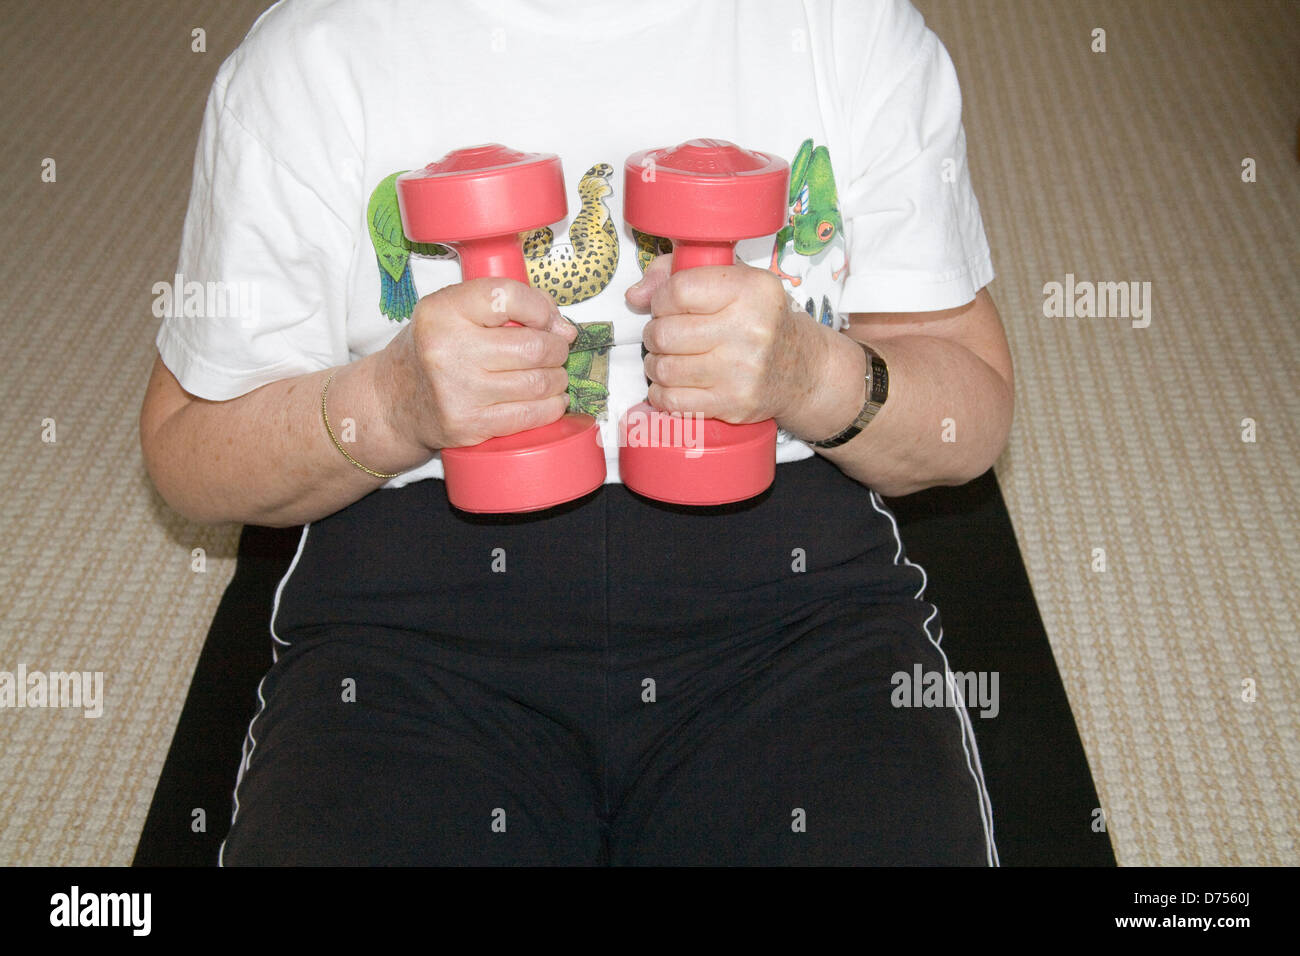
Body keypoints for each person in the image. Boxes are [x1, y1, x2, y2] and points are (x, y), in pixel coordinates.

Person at [139, 0, 1013, 865]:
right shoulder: (309, 57)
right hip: (414, 627)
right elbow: (188, 450)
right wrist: (392, 402)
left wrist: (810, 374)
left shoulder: (846, 27)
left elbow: (967, 415)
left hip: (789, 607)